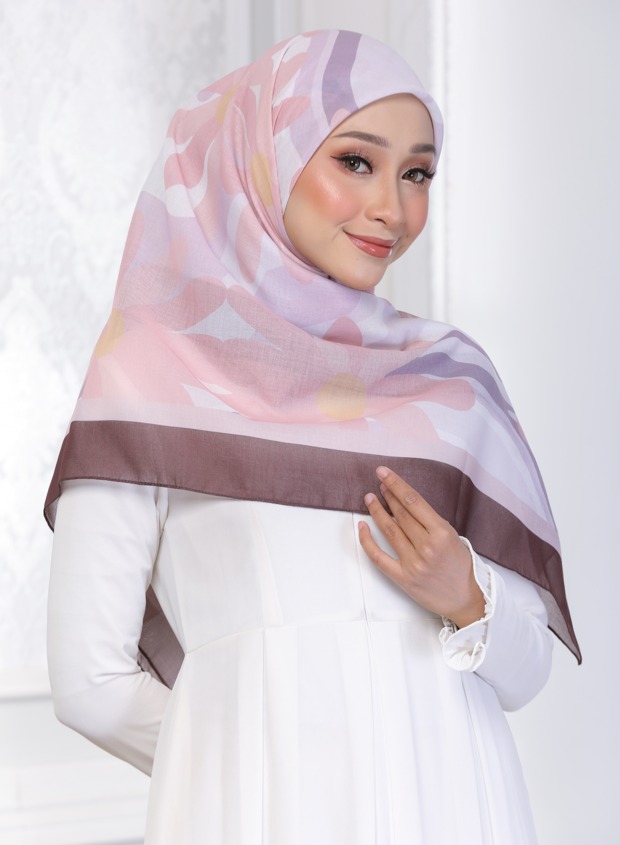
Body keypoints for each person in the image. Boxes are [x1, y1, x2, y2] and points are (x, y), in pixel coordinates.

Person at [45, 29, 580, 844]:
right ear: (266, 160)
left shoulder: (452, 380)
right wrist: (249, 768)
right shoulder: (153, 373)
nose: (392, 208)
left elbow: (526, 668)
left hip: (458, 807)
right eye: (356, 161)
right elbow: (91, 680)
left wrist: (469, 595)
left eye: (417, 174)